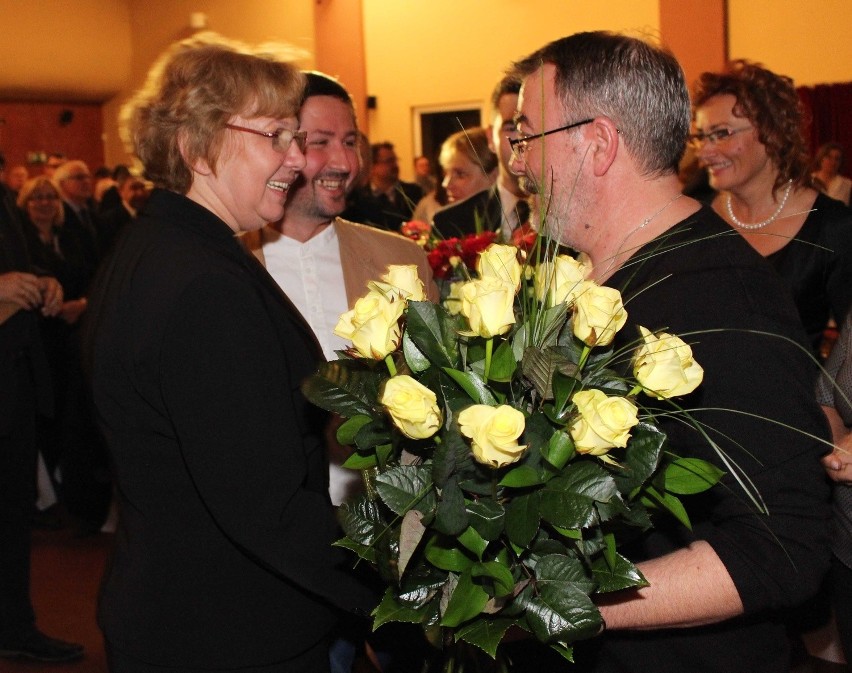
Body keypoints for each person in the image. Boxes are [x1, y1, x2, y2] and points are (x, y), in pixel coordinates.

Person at [508, 31, 831, 673]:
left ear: (595, 143)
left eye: (525, 136)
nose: (516, 163)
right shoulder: (584, 276)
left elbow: (783, 546)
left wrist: (562, 602)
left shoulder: (721, 298)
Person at [83, 37, 374, 673]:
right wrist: (399, 584)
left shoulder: (162, 247)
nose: (297, 160)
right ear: (197, 146)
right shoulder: (202, 282)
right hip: (226, 630)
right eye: (277, 136)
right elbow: (262, 505)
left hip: (186, 609)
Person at [243, 70, 438, 504]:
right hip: (269, 516)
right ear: (282, 148)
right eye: (321, 142)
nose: (344, 163)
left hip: (384, 515)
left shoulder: (401, 261)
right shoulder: (229, 265)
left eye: (350, 142)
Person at [693, 61, 852, 357]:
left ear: (772, 133)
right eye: (701, 136)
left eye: (722, 133)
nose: (705, 151)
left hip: (794, 399)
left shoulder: (833, 227)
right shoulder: (694, 217)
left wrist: (826, 402)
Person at [0, 181, 82, 663]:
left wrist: (39, 280)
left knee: (12, 519)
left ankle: (13, 625)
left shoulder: (5, 195)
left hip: (15, 381)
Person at [432, 76, 531, 241]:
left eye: (534, 128)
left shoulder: (573, 218)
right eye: (512, 128)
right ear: (491, 138)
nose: (524, 140)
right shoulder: (451, 223)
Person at [345, 141, 423, 231]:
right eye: (389, 161)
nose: (395, 165)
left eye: (395, 160)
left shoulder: (414, 192)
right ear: (373, 166)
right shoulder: (357, 198)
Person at [812, 142, 851, 206]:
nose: (833, 162)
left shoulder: (847, 185)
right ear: (821, 158)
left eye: (837, 159)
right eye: (829, 157)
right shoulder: (808, 181)